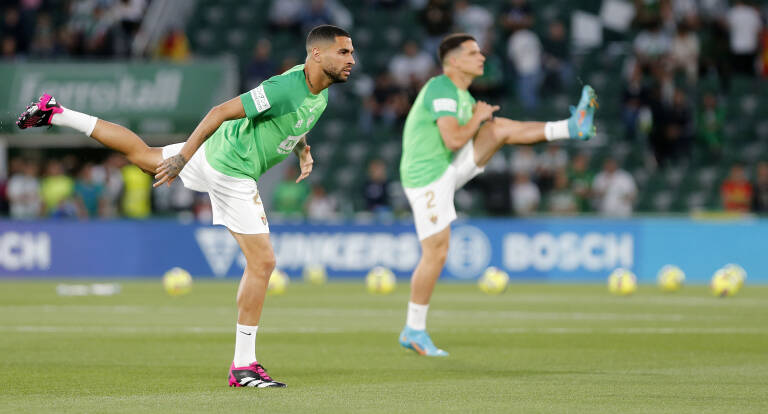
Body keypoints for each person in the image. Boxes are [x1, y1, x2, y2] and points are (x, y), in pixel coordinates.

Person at [16, 24, 355, 387]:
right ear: (317, 54)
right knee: (264, 262)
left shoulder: (319, 90)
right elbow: (218, 112)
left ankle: (58, 113)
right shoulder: (285, 86)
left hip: (214, 154)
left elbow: (294, 117)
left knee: (144, 155)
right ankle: (243, 365)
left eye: (351, 52)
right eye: (344, 52)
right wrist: (182, 159)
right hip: (231, 168)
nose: (351, 59)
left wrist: (301, 149)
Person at [398, 33, 597, 356]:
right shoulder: (441, 88)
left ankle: (572, 127)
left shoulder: (463, 96)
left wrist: (479, 121)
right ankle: (413, 329)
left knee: (498, 128)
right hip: (426, 179)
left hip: (446, 170)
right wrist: (476, 119)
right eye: (473, 53)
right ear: (453, 61)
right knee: (436, 251)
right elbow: (451, 140)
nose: (482, 57)